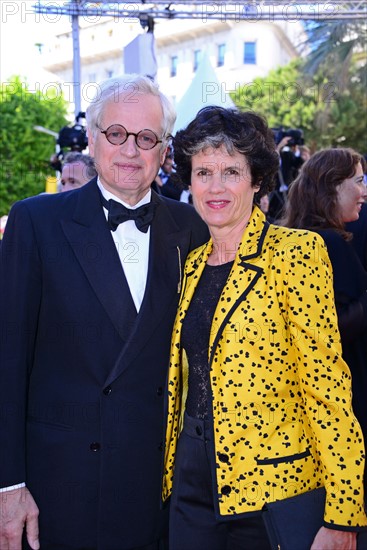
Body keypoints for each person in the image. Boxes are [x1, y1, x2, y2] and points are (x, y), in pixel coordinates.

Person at [0, 74, 209, 550]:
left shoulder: (194, 227)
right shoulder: (37, 222)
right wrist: (7, 486)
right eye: (116, 133)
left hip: (160, 493)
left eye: (146, 138)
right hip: (61, 488)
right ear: (92, 139)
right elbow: (7, 361)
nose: (130, 150)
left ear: (164, 150)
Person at [161, 107, 367, 550]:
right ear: (189, 181)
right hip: (190, 485)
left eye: (231, 171)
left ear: (257, 182)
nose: (215, 187)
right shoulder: (191, 265)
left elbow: (327, 385)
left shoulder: (297, 253)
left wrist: (344, 513)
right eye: (203, 172)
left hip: (273, 491)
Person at [281, 147, 367, 497]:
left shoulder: (299, 238)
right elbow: (334, 326)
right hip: (344, 397)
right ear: (333, 187)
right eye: (359, 181)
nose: (364, 191)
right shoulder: (331, 242)